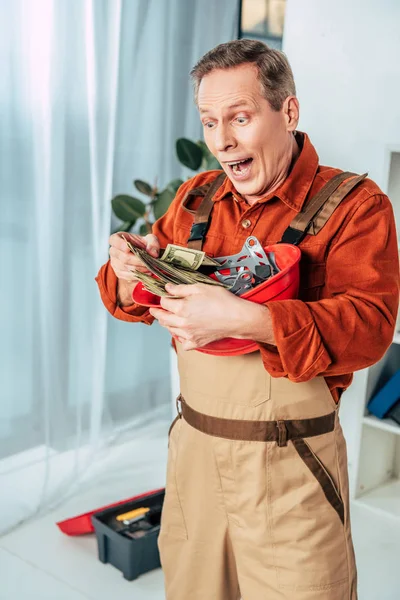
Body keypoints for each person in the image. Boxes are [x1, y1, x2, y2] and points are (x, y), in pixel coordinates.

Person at [96, 40, 399, 600]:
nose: (221, 141)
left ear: (288, 112)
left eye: (240, 117)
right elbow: (124, 300)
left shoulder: (357, 205)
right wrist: (127, 269)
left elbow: (370, 328)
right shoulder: (195, 196)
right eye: (209, 122)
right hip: (194, 458)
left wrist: (250, 320)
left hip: (293, 465)